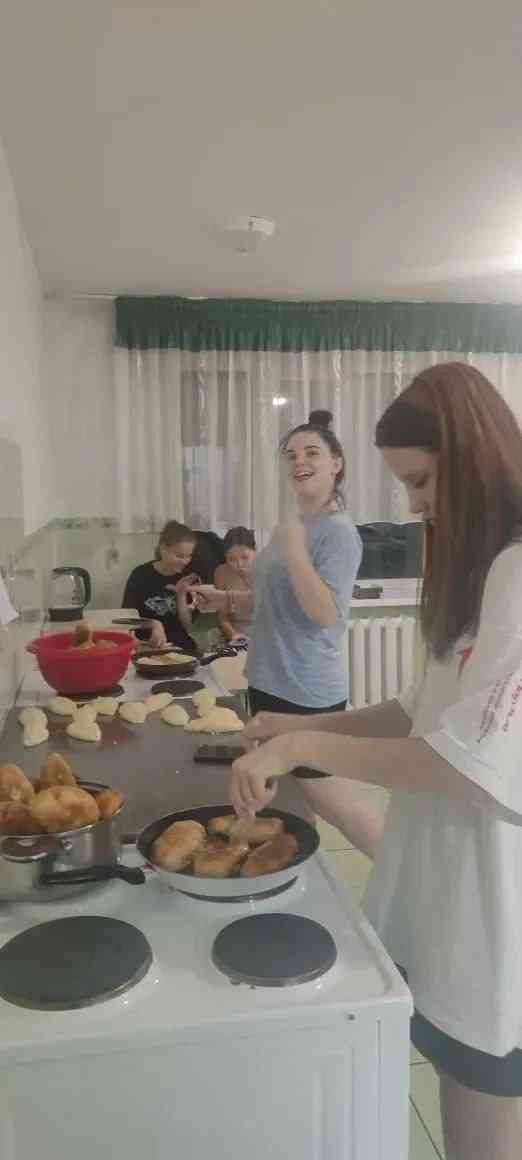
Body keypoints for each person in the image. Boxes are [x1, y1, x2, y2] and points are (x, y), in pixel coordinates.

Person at [230, 363, 522, 1160]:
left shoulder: (516, 571)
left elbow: (464, 764)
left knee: (484, 1111)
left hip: (494, 897)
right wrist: (297, 724)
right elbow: (414, 711)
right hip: (447, 885)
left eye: (422, 482)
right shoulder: (476, 567)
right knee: (460, 1084)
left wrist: (302, 745)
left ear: (476, 456)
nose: (416, 506)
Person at [193, 411, 380, 856]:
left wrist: (295, 550)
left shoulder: (337, 533)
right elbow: (270, 601)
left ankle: (402, 870)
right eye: (291, 455)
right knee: (287, 796)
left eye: (312, 452)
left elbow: (325, 614)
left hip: (306, 689)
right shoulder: (291, 525)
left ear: (336, 463)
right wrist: (224, 599)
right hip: (267, 680)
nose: (300, 461)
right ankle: (300, 866)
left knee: (330, 797)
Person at [122, 520, 199, 651]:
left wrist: (181, 593)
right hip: (147, 646)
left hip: (180, 647)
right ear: (163, 549)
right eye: (179, 556)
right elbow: (126, 619)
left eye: (189, 556)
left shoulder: (188, 577)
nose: (185, 562)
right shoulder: (140, 575)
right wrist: (154, 624)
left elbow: (187, 625)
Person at [214, 527, 256, 641]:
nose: (239, 564)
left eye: (245, 557)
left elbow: (270, 613)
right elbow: (222, 617)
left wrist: (247, 579)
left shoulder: (267, 570)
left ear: (255, 551)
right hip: (233, 634)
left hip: (263, 634)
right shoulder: (221, 572)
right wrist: (234, 636)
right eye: (232, 559)